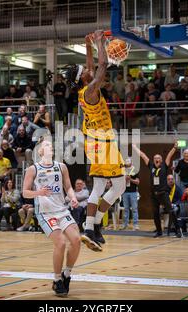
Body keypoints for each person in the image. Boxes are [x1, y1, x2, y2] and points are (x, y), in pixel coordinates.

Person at [65, 30, 126, 252]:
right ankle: (90, 226)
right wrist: (100, 42)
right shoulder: (91, 90)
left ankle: (93, 224)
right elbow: (101, 66)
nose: (87, 70)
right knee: (103, 186)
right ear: (84, 78)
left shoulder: (84, 87)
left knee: (118, 186)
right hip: (102, 143)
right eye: (85, 71)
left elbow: (92, 66)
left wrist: (87, 43)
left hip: (98, 141)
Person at [22, 139, 81, 297]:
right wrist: (38, 193)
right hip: (45, 212)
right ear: (40, 151)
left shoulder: (61, 167)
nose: (50, 147)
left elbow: (68, 187)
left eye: (51, 146)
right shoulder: (33, 169)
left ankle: (66, 274)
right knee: (61, 243)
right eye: (46, 145)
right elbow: (25, 192)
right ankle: (56, 280)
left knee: (76, 240)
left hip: (61, 209)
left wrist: (73, 197)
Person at [133, 142, 178, 238]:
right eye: (155, 158)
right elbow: (143, 156)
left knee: (171, 211)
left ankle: (178, 230)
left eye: (158, 158)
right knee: (155, 213)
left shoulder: (164, 166)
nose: (157, 159)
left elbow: (169, 156)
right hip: (154, 194)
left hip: (163, 193)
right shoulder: (151, 166)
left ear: (161, 160)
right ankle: (159, 232)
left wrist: (174, 148)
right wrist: (135, 148)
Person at [121, 158, 140, 230]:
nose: (127, 163)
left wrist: (130, 179)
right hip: (125, 192)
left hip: (133, 192)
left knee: (134, 209)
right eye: (126, 161)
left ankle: (135, 224)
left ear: (131, 162)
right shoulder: (123, 171)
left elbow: (138, 182)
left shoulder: (135, 170)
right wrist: (124, 180)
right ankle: (125, 224)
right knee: (126, 209)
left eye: (128, 161)